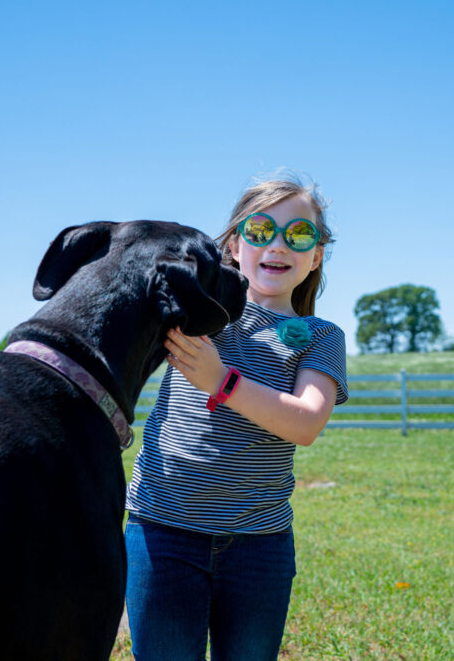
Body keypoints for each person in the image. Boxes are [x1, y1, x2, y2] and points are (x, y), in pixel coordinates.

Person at [123, 172, 349, 660]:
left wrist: (220, 380)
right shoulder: (197, 312)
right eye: (262, 231)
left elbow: (306, 423)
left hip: (257, 546)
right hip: (162, 529)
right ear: (232, 245)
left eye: (300, 234)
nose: (280, 244)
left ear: (316, 257)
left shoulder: (320, 336)